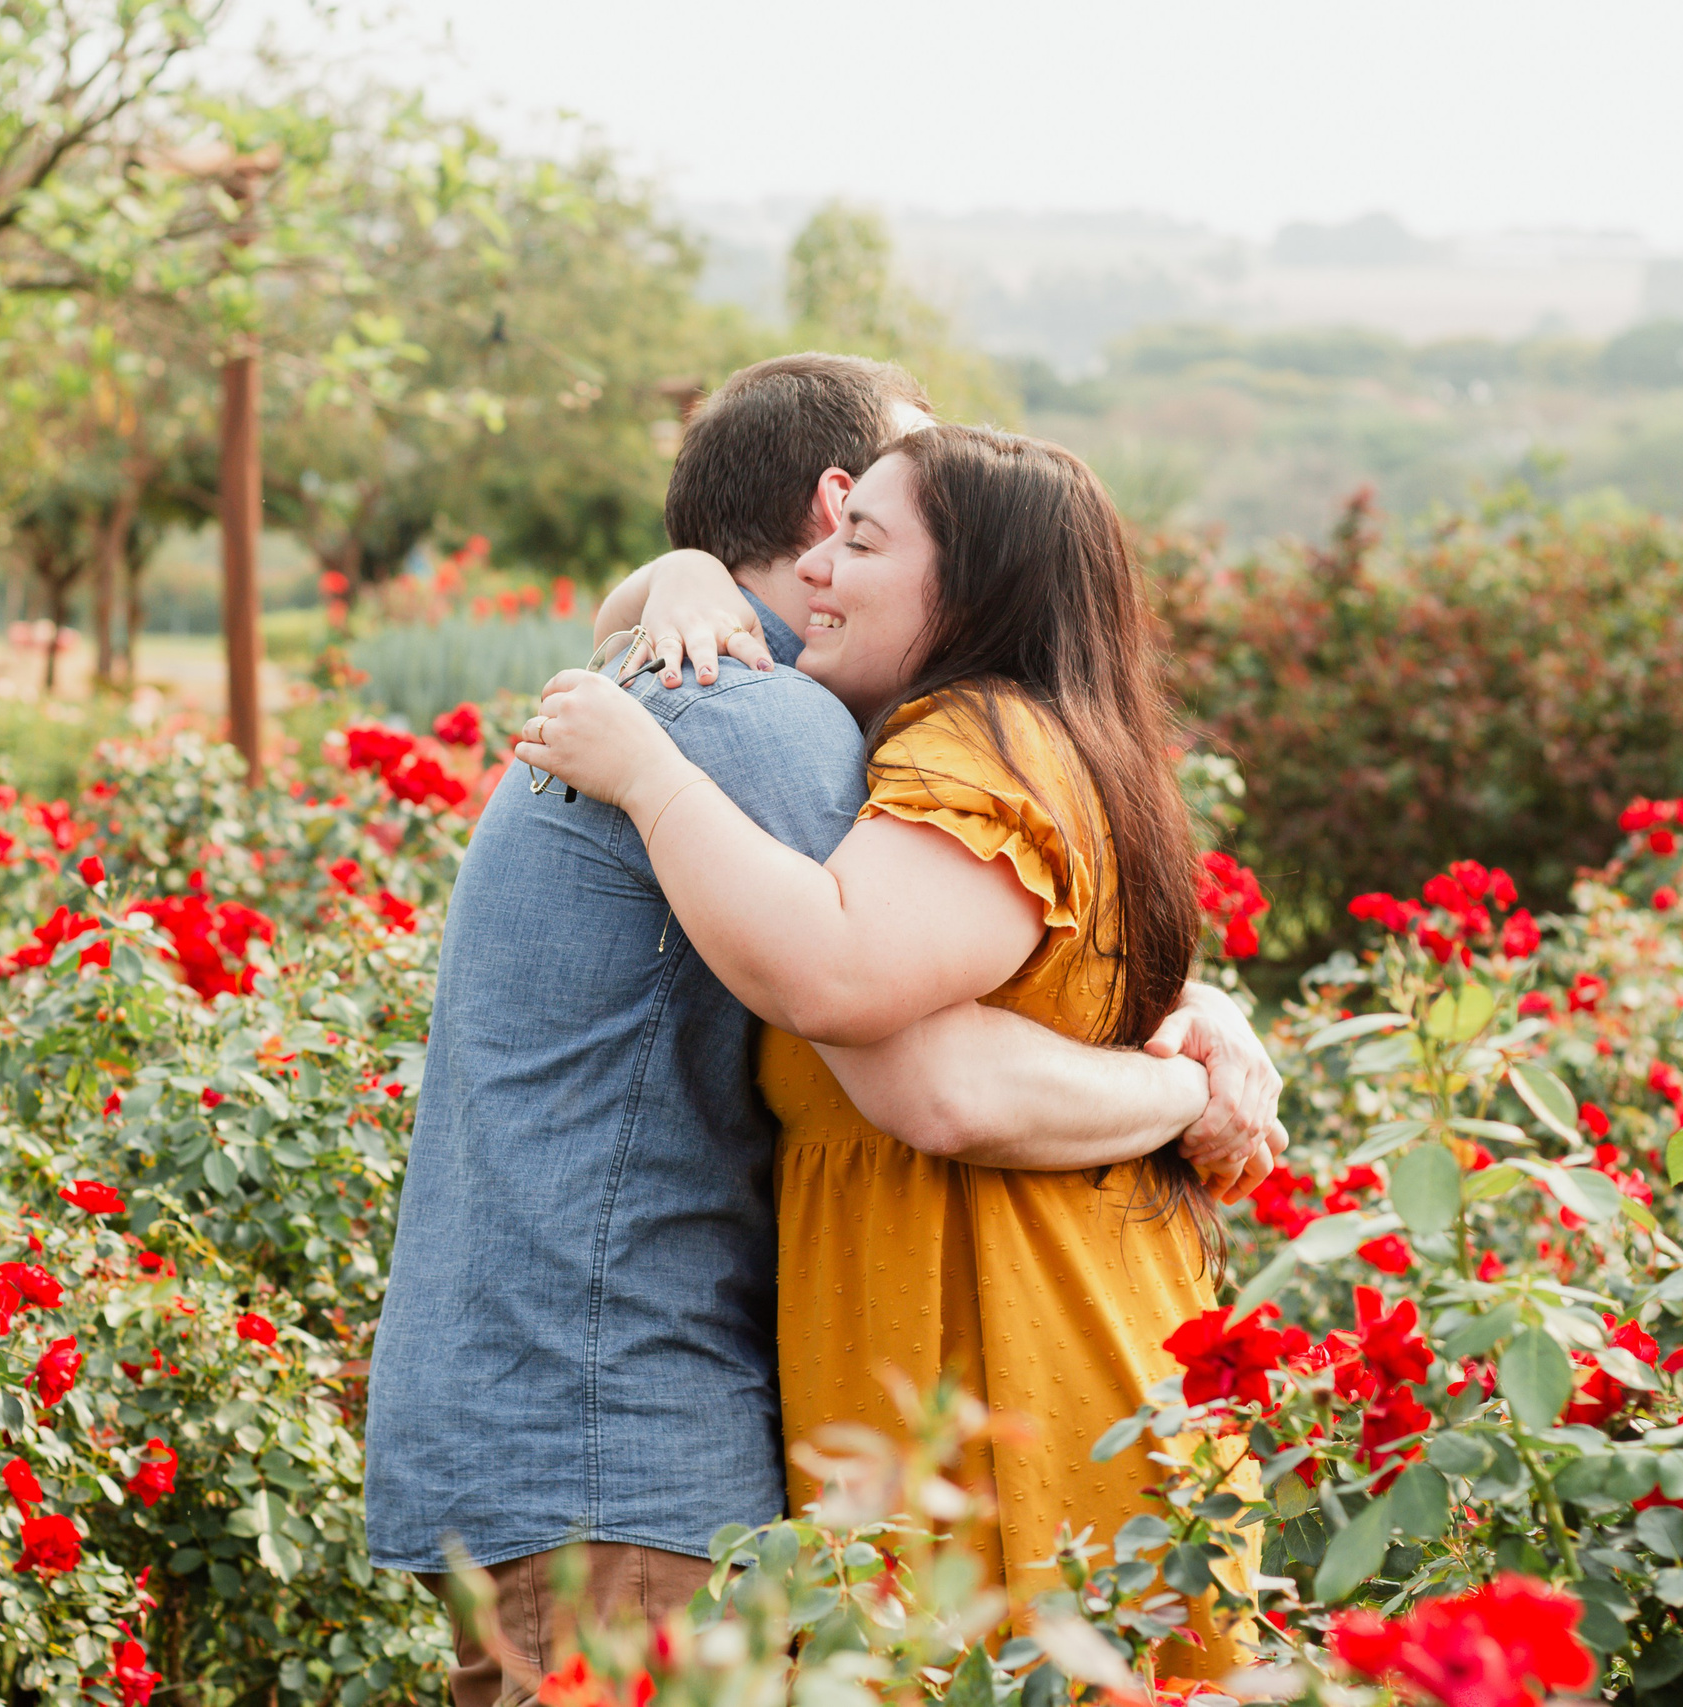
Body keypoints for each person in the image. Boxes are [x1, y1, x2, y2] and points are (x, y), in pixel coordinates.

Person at [367, 358, 1282, 1707]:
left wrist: (1187, 1009)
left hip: (558, 1424)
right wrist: (1176, 1091)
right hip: (619, 1434)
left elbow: (975, 969)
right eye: (860, 520)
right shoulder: (758, 720)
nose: (858, 546)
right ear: (827, 506)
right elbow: (922, 1062)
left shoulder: (673, 674)